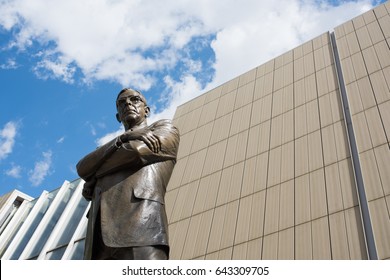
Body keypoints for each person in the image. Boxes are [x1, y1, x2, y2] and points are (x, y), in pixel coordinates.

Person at [76, 88, 180, 260]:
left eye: (135, 99)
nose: (128, 104)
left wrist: (95, 174)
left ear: (146, 110)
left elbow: (136, 151)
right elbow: (82, 168)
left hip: (142, 227)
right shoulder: (110, 147)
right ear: (118, 116)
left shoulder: (164, 128)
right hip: (98, 239)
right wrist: (122, 139)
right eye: (121, 103)